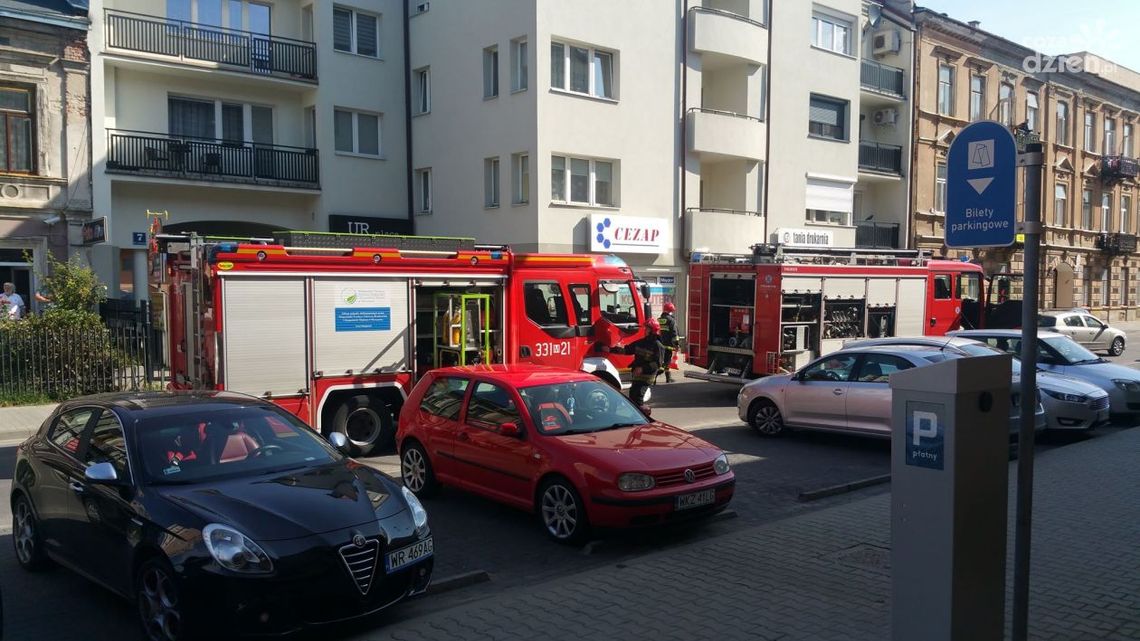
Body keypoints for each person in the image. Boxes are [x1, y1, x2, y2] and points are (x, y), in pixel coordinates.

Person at [614, 318, 667, 406]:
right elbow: (627, 350)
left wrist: (642, 369)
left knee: (638, 398)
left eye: (647, 329)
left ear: (652, 331)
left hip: (646, 377)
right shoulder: (642, 342)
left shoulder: (658, 346)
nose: (645, 330)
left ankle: (643, 417)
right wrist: (611, 349)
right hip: (637, 376)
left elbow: (657, 364)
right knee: (632, 397)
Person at [657, 302, 680, 383]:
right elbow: (674, 334)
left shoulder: (659, 319)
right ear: (670, 311)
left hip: (659, 345)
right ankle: (657, 375)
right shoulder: (671, 320)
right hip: (668, 345)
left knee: (664, 361)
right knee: (666, 362)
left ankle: (668, 378)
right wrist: (676, 344)